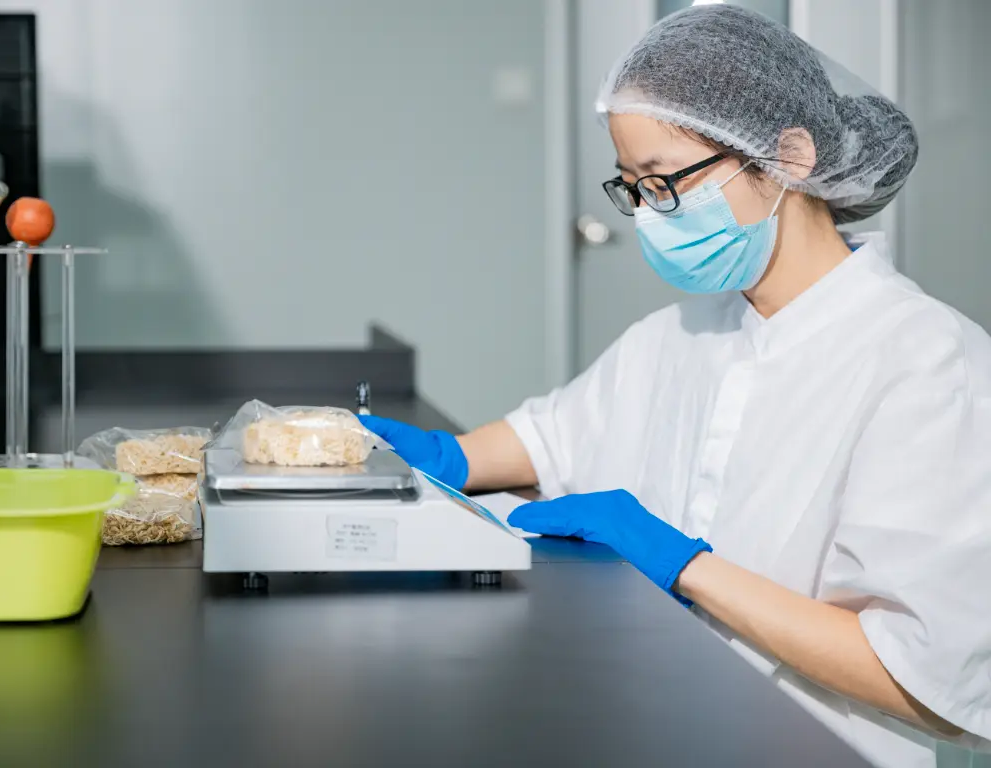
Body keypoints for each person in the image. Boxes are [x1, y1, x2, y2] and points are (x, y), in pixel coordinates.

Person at [360, 6, 990, 767]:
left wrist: (685, 566)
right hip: (656, 719)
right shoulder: (684, 333)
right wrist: (439, 457)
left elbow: (919, 677)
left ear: (786, 156)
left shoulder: (926, 361)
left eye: (663, 183)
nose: (650, 217)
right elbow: (553, 435)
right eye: (632, 188)